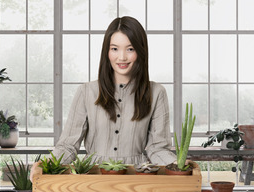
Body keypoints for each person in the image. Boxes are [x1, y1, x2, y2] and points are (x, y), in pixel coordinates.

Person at [30, 16, 176, 180]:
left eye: (130, 49)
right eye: (114, 49)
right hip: (92, 178)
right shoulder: (86, 92)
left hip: (136, 179)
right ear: (107, 52)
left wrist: (180, 166)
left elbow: (158, 148)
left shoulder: (156, 93)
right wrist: (46, 164)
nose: (121, 57)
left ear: (140, 51)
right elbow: (68, 146)